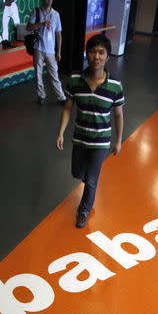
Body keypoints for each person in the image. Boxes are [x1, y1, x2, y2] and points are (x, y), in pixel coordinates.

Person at [56, 33, 124, 229]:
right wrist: (61, 132)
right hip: (80, 138)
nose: (97, 57)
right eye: (93, 52)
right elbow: (68, 107)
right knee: (77, 172)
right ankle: (89, 182)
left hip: (101, 141)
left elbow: (118, 115)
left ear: (108, 57)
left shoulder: (115, 85)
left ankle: (83, 210)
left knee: (92, 180)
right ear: (87, 54)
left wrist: (119, 140)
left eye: (101, 53)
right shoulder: (75, 80)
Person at [26, 0, 66, 105]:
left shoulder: (56, 15)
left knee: (54, 74)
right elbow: (28, 28)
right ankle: (41, 95)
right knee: (38, 74)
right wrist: (41, 24)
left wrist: (58, 51)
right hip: (38, 48)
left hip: (50, 50)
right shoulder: (36, 12)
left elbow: (58, 34)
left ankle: (61, 97)